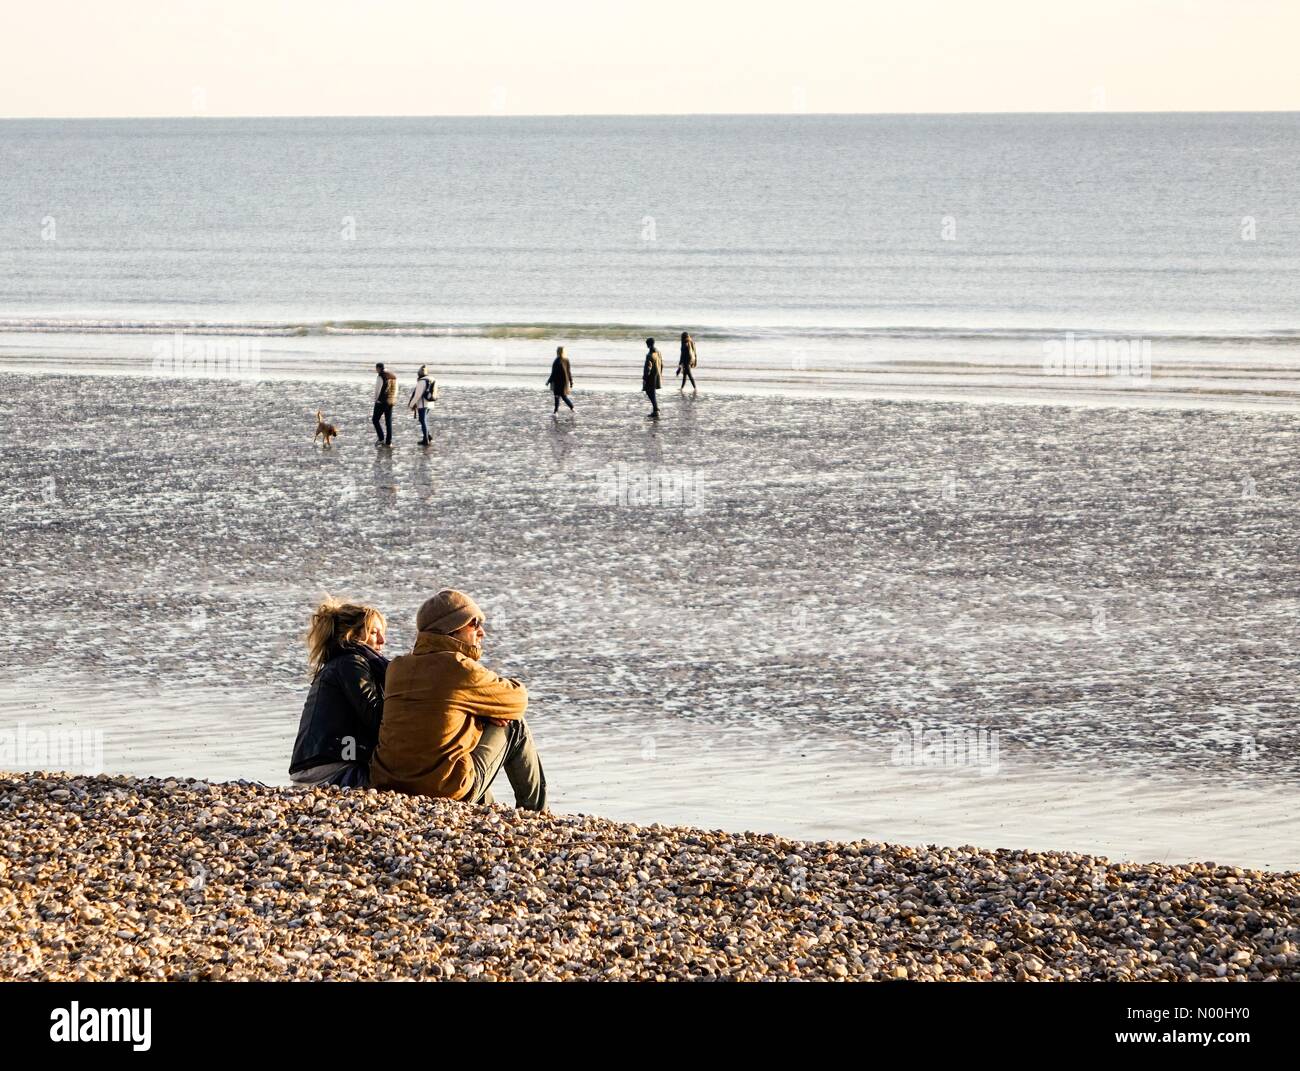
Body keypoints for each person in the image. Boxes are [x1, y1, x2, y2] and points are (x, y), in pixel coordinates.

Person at [370, 589, 546, 811]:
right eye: (474, 624)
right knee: (514, 725)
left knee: (462, 731)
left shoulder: (397, 667)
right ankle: (536, 813)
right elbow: (518, 699)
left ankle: (486, 810)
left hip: (389, 783)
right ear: (451, 629)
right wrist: (489, 712)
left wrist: (478, 712)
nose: (481, 632)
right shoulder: (459, 668)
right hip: (443, 787)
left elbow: (440, 707)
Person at [289, 598, 389, 787]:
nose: (382, 641)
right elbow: (377, 717)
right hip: (329, 769)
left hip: (315, 763)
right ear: (352, 636)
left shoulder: (339, 664)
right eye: (374, 633)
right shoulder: (351, 663)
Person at [372, 362, 398, 447]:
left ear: (378, 368)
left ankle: (381, 438)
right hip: (391, 401)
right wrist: (394, 398)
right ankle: (389, 442)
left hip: (381, 401)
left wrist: (376, 400)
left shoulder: (380, 376)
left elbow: (377, 389)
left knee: (375, 420)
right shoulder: (393, 376)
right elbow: (396, 389)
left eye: (376, 368)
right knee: (388, 422)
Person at [408, 364, 435, 446]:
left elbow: (417, 395)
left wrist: (411, 405)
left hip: (423, 404)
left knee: (423, 421)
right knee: (423, 420)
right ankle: (428, 436)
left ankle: (426, 439)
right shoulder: (432, 379)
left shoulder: (422, 381)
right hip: (430, 403)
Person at [546, 346, 574, 417]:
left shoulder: (556, 361)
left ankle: (555, 412)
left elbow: (553, 373)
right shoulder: (566, 360)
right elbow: (568, 372)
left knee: (557, 396)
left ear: (557, 352)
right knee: (564, 396)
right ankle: (572, 408)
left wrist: (549, 381)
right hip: (565, 381)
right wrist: (571, 381)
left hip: (557, 381)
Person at [642, 337, 663, 420]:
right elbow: (662, 364)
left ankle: (656, 409)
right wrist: (661, 373)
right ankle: (655, 409)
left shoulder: (649, 355)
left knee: (648, 390)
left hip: (651, 376)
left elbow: (648, 368)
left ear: (648, 344)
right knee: (652, 391)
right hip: (657, 374)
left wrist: (644, 378)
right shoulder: (658, 352)